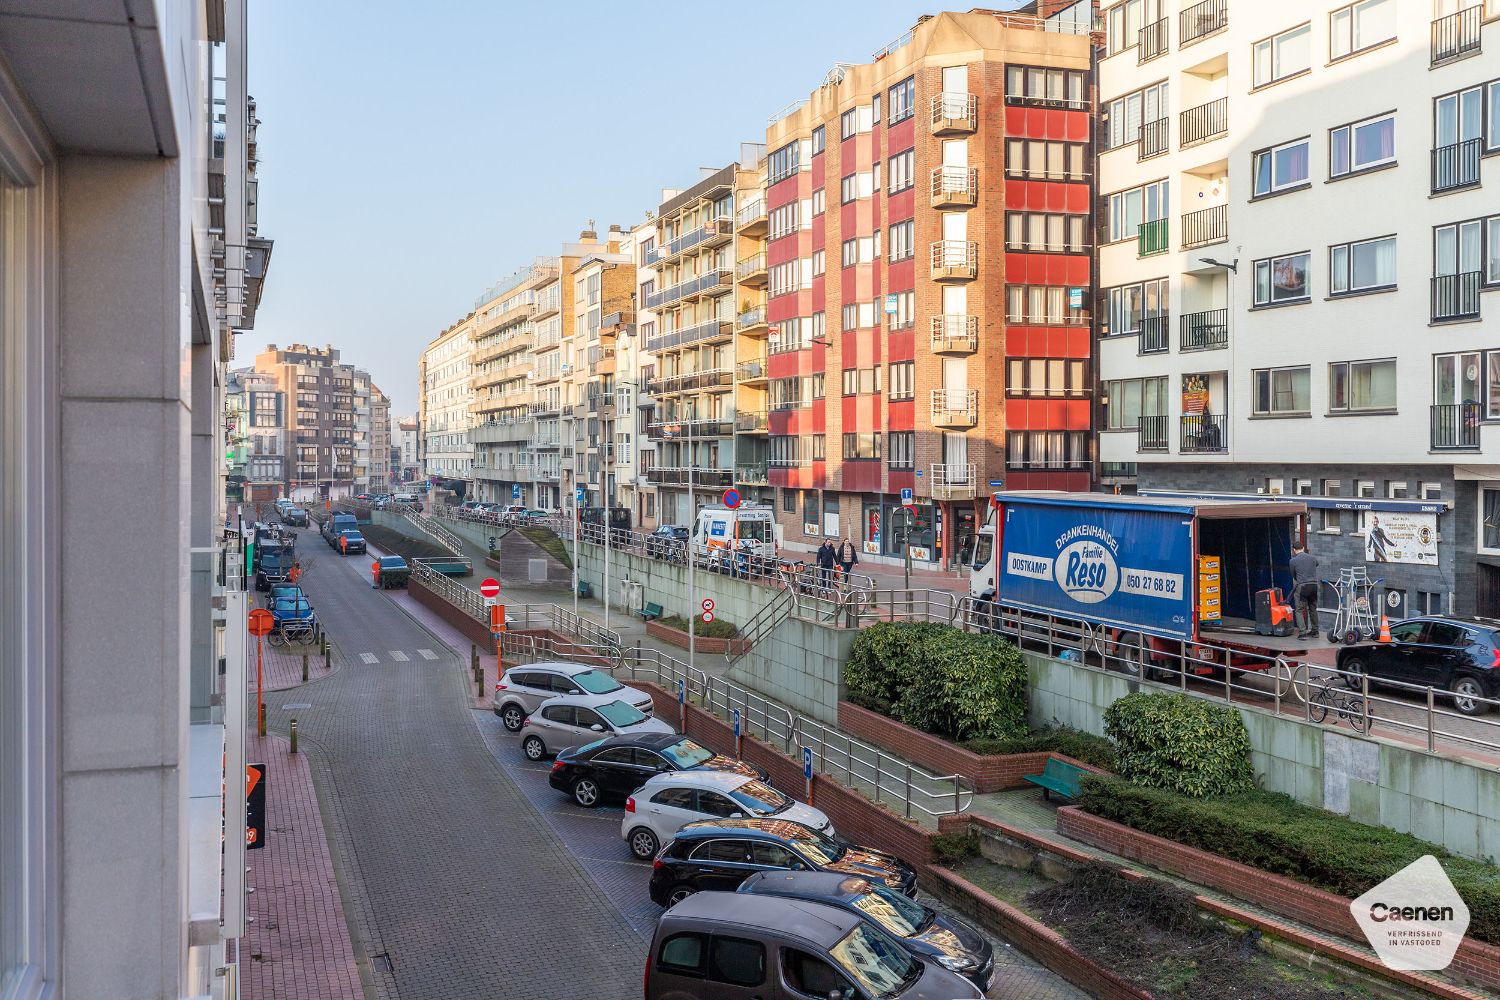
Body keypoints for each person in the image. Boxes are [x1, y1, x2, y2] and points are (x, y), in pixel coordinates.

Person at [1290, 542, 1320, 639]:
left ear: (1294, 550)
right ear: (1303, 548)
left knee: (1299, 609)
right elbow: (1316, 564)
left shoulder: (1293, 561)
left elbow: (1293, 575)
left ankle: (1302, 633)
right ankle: (1315, 632)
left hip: (1302, 586)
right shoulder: (1312, 558)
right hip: (1314, 585)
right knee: (1313, 608)